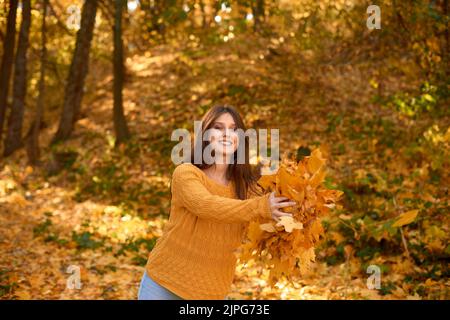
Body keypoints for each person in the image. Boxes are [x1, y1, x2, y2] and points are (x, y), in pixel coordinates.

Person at [137, 104, 295, 300]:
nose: (226, 134)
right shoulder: (186, 173)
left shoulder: (248, 189)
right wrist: (262, 206)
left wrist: (291, 212)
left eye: (233, 129)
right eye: (218, 128)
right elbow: (205, 205)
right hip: (164, 284)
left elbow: (264, 226)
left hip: (212, 292)